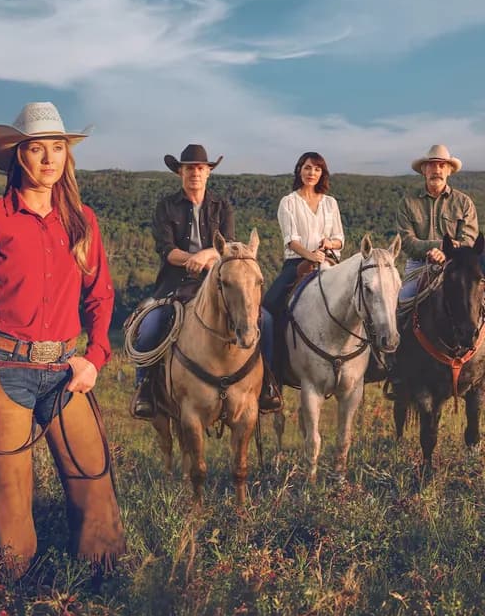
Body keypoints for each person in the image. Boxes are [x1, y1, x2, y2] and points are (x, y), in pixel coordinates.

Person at [0, 101, 124, 574]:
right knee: (8, 493)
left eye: (58, 148)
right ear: (17, 156)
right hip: (3, 368)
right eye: (37, 149)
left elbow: (100, 295)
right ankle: (8, 589)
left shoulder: (82, 220)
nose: (50, 159)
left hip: (66, 370)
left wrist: (95, 357)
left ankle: (101, 584)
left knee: (93, 478)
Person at [130, 144, 281, 418]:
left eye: (200, 168)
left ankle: (268, 383)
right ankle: (145, 387)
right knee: (151, 324)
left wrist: (204, 256)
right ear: (180, 172)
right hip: (176, 284)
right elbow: (167, 250)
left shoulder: (222, 207)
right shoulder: (166, 207)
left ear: (208, 172)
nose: (195, 173)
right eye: (189, 168)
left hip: (218, 283)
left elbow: (229, 244)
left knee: (266, 321)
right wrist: (192, 259)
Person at [263, 152, 345, 317]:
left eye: (317, 169)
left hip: (329, 260)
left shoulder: (330, 203)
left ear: (322, 174)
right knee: (269, 304)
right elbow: (291, 241)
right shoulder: (288, 202)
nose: (311, 173)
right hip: (297, 262)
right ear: (299, 170)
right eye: (307, 168)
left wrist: (330, 243)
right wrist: (311, 256)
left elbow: (339, 239)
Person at [396, 144, 477, 300]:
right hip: (419, 265)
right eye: (432, 165)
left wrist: (446, 251)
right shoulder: (407, 203)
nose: (437, 170)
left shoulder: (464, 203)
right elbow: (407, 241)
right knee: (402, 300)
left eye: (442, 165)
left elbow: (468, 241)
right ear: (424, 170)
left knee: (476, 301)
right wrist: (439, 246)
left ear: (449, 170)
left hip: (455, 263)